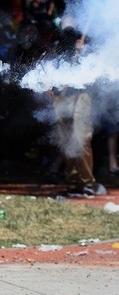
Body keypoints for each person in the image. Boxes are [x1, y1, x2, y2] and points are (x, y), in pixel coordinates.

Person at [50, 27, 105, 196]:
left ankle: (87, 182)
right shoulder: (60, 42)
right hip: (63, 96)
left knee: (81, 139)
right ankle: (73, 180)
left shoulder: (89, 45)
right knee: (66, 140)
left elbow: (97, 68)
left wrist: (84, 52)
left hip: (82, 95)